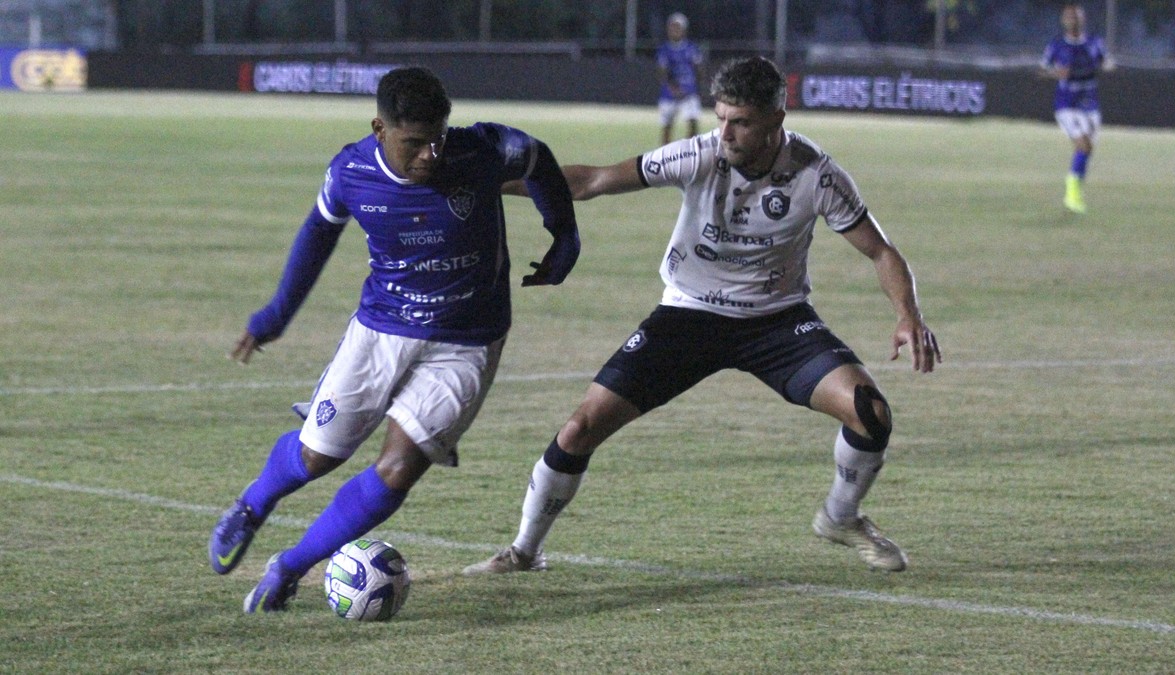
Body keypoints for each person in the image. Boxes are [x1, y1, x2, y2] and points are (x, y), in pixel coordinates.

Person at [464, 56, 941, 578]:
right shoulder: (699, 156)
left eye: (741, 123)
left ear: (776, 120)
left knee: (869, 411)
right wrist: (486, 182)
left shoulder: (818, 174)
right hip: (687, 317)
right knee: (580, 428)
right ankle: (523, 551)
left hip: (777, 322)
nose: (726, 134)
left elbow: (881, 250)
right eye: (720, 118)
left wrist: (907, 315)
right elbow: (590, 181)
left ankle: (840, 517)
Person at [208, 66, 580, 613]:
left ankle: (290, 567)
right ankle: (254, 502)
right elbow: (317, 232)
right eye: (414, 143)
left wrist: (563, 234)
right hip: (380, 330)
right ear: (379, 128)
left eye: (438, 138)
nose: (430, 153)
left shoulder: (482, 148)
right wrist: (275, 315)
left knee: (399, 468)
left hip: (467, 340)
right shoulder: (351, 170)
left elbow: (538, 159)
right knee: (316, 457)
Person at [1040, 2, 1115, 214]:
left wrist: (1107, 66)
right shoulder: (1056, 46)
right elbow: (1041, 70)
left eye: (1077, 16)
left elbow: (1107, 62)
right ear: (1064, 21)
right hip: (1067, 105)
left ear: (1083, 19)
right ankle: (1072, 191)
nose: (1074, 20)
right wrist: (1057, 73)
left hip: (1090, 105)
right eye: (1070, 17)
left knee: (1088, 148)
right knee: (1082, 144)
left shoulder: (1094, 43)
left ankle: (1075, 186)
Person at [656, 12, 705, 145]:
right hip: (669, 94)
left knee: (693, 122)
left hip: (689, 92)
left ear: (684, 30)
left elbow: (699, 69)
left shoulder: (691, 48)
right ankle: (664, 157)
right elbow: (662, 72)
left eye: (677, 27)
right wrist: (672, 88)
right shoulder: (664, 49)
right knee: (667, 126)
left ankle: (689, 153)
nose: (674, 30)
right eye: (672, 27)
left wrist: (696, 88)